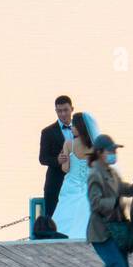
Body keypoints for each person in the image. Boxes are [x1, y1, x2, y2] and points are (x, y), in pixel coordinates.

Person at [84, 135, 133, 267]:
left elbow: (122, 188)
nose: (114, 154)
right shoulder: (94, 174)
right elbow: (95, 203)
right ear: (99, 153)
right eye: (111, 151)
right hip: (101, 232)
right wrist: (114, 201)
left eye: (115, 150)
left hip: (116, 229)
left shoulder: (111, 172)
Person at [51, 111, 96, 240]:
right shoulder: (95, 147)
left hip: (72, 185)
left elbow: (65, 169)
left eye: (74, 126)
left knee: (65, 212)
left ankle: (63, 235)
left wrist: (62, 160)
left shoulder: (69, 144)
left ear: (80, 127)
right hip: (88, 185)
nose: (71, 128)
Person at [38, 95, 74, 239]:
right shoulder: (47, 132)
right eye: (59, 111)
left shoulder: (80, 130)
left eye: (65, 110)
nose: (63, 114)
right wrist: (56, 160)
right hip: (55, 182)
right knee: (53, 217)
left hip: (75, 181)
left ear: (72, 109)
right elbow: (42, 158)